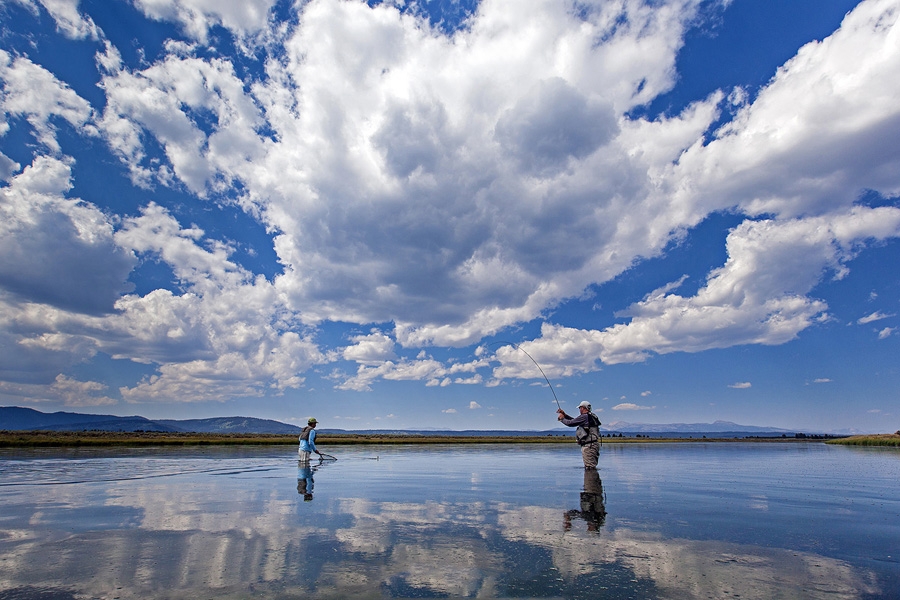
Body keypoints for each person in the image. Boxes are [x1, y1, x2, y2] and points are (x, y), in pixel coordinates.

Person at [557, 401, 601, 469]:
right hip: (592, 445)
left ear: (583, 408)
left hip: (589, 446)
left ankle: (590, 479)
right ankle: (593, 479)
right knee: (591, 467)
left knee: (589, 468)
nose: (579, 410)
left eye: (579, 408)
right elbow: (575, 420)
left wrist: (562, 419)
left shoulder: (584, 416)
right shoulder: (590, 416)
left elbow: (570, 423)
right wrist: (565, 415)